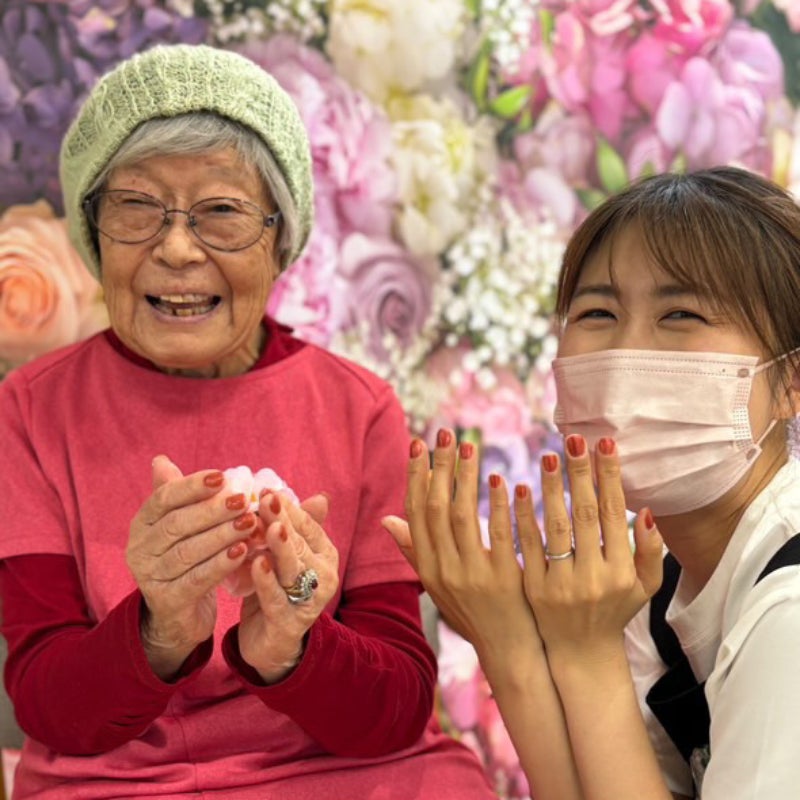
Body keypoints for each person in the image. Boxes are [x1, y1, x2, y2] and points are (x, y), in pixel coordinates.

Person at [0, 44, 497, 800]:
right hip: (122, 786)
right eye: (136, 208)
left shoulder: (360, 408)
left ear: (280, 241)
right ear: (94, 235)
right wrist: (159, 629)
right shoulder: (31, 407)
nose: (176, 248)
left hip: (347, 777)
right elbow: (47, 704)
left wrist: (292, 645)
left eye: (222, 213)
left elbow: (397, 708)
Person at [385, 166, 800, 800]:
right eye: (598, 312)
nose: (626, 352)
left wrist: (585, 651)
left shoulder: (788, 612)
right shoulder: (655, 584)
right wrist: (507, 642)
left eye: (681, 313)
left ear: (791, 382)